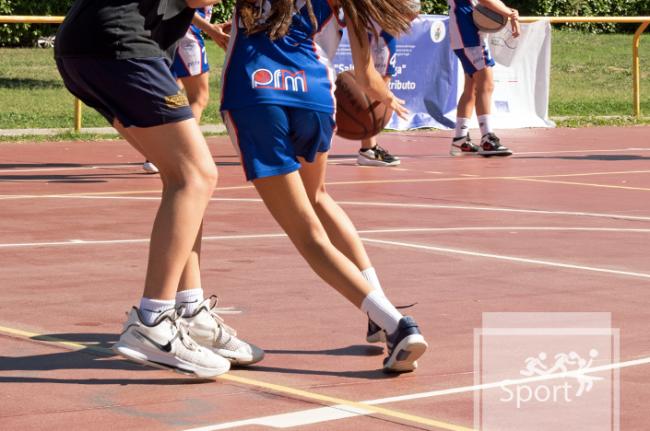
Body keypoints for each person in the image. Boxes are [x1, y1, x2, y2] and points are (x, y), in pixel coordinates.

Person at [55, 0, 262, 379]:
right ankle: (152, 321)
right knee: (195, 175)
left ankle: (190, 309)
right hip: (119, 43)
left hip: (92, 44)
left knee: (181, 177)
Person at [221, 0, 427, 372]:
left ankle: (396, 324)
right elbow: (367, 78)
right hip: (315, 95)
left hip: (258, 89)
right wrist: (386, 97)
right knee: (318, 198)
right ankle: (376, 303)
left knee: (307, 234)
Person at [143, 8, 231, 174]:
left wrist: (209, 25)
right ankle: (176, 152)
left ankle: (156, 153)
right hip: (186, 32)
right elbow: (183, 6)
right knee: (199, 96)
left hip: (171, 31)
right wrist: (210, 29)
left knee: (173, 93)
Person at [448, 0, 520, 157]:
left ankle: (460, 139)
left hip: (463, 28)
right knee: (486, 85)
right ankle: (487, 139)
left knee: (472, 87)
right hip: (467, 31)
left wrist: (507, 10)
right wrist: (509, 13)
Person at [355, 28, 401, 167]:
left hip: (377, 27)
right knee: (377, 86)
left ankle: (369, 147)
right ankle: (368, 148)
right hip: (380, 28)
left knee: (376, 86)